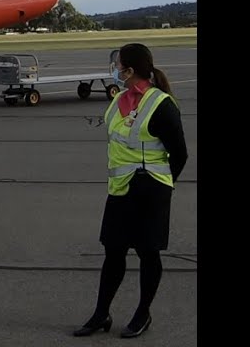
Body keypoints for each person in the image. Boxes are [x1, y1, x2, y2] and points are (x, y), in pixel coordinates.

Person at [73, 43, 188, 339]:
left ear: (130, 70)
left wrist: (163, 185)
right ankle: (101, 313)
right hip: (120, 188)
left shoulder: (161, 104)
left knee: (148, 253)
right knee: (113, 252)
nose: (115, 68)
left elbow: (180, 154)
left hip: (151, 189)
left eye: (118, 64)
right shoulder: (118, 99)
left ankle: (142, 313)